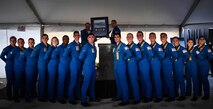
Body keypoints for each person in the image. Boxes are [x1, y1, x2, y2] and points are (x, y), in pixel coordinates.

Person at [79, 33, 100, 107]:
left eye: (92, 37)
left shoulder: (94, 47)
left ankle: (92, 97)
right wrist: (87, 62)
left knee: (92, 83)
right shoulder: (86, 47)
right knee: (86, 83)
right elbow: (81, 57)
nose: (91, 38)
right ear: (87, 39)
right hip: (87, 67)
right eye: (89, 37)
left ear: (94, 38)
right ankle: (83, 100)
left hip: (93, 67)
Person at [64, 31, 82, 104]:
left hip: (80, 64)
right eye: (76, 35)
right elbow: (65, 54)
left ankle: (77, 95)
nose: (77, 36)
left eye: (78, 35)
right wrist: (71, 59)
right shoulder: (71, 45)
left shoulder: (80, 45)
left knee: (78, 80)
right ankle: (71, 98)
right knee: (73, 81)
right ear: (73, 36)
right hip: (74, 64)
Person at [113, 33, 131, 106]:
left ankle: (125, 99)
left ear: (120, 38)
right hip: (116, 66)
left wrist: (123, 59)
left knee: (123, 82)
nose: (116, 38)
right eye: (115, 37)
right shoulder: (115, 46)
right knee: (118, 82)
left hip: (121, 66)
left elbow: (129, 54)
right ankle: (119, 96)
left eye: (117, 37)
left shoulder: (123, 46)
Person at [31, 34, 50, 102]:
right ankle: (40, 96)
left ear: (48, 39)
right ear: (42, 39)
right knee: (42, 80)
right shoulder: (38, 46)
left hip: (48, 65)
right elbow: (33, 55)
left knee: (47, 79)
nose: (45, 39)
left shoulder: (49, 46)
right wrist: (39, 61)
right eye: (43, 38)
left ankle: (45, 94)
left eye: (46, 38)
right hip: (42, 64)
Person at [160, 33, 178, 102]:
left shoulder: (170, 46)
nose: (162, 38)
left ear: (166, 37)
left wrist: (170, 61)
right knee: (164, 79)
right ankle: (166, 93)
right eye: (161, 37)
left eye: (164, 36)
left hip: (167, 65)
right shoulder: (161, 46)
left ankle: (172, 96)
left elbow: (175, 55)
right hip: (162, 64)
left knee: (169, 79)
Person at [137, 31, 153, 103]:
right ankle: (144, 94)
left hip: (145, 65)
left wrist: (146, 61)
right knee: (142, 81)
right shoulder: (137, 45)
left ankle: (149, 96)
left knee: (147, 80)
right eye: (138, 35)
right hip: (139, 65)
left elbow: (151, 54)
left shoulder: (146, 45)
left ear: (143, 36)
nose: (139, 36)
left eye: (140, 35)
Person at [8, 38, 26, 102]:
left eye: (22, 42)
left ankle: (22, 94)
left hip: (24, 68)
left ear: (24, 42)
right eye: (19, 42)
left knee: (23, 82)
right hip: (18, 68)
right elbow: (9, 58)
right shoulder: (14, 49)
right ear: (17, 43)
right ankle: (16, 97)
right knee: (17, 82)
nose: (20, 43)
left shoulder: (25, 49)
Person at [195, 36, 213, 100]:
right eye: (200, 39)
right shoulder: (196, 47)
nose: (201, 40)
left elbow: (211, 56)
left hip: (204, 65)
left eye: (203, 39)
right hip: (197, 65)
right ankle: (199, 92)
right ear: (198, 40)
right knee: (198, 79)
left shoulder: (207, 48)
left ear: (205, 41)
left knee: (204, 79)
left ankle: (206, 94)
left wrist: (205, 60)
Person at [19, 38, 37, 102]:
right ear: (28, 43)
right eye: (29, 42)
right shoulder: (26, 51)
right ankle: (27, 96)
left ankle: (33, 94)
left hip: (35, 68)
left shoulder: (36, 49)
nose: (31, 43)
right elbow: (21, 59)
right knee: (28, 82)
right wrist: (26, 64)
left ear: (34, 42)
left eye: (32, 42)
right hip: (29, 69)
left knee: (34, 82)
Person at [125, 33, 141, 104]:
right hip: (126, 65)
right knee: (129, 81)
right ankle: (131, 96)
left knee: (134, 81)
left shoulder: (135, 46)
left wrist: (133, 60)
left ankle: (137, 98)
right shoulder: (126, 46)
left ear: (133, 37)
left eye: (130, 36)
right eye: (128, 37)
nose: (129, 38)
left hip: (132, 65)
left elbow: (139, 56)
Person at [172, 37, 189, 101]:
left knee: (181, 80)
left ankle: (183, 95)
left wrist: (183, 61)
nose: (175, 41)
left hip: (179, 65)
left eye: (176, 40)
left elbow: (187, 56)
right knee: (175, 80)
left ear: (179, 41)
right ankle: (176, 93)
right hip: (174, 65)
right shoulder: (173, 48)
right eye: (174, 41)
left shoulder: (182, 48)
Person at [149, 32, 164, 102]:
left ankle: (159, 96)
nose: (152, 37)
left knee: (157, 80)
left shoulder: (158, 46)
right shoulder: (149, 46)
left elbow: (162, 56)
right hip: (150, 65)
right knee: (153, 79)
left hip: (156, 64)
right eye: (150, 36)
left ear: (155, 38)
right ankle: (154, 94)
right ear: (149, 38)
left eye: (153, 36)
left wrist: (156, 60)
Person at [44, 37, 59, 102]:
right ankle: (50, 97)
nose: (55, 41)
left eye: (56, 40)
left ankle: (54, 94)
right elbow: (46, 57)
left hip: (57, 65)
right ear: (51, 41)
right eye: (53, 40)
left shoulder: (57, 48)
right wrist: (51, 60)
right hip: (52, 65)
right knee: (51, 81)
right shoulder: (51, 48)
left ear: (57, 41)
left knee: (55, 80)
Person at [56, 35, 70, 103]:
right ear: (62, 39)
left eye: (67, 39)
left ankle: (66, 95)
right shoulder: (59, 47)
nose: (66, 40)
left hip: (69, 66)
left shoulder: (69, 47)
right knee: (61, 82)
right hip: (62, 66)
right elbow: (53, 55)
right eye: (64, 39)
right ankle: (60, 97)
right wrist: (60, 61)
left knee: (67, 82)